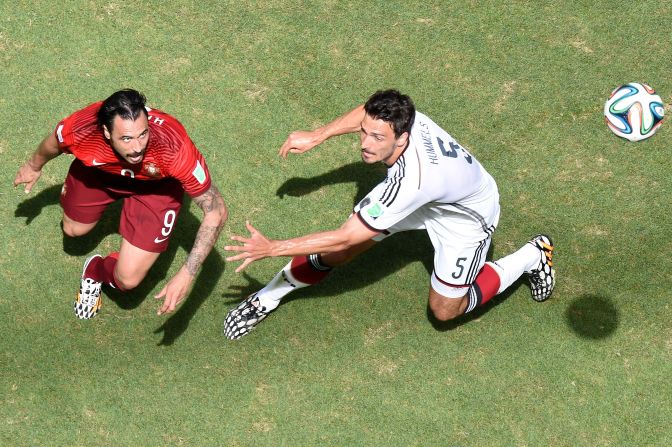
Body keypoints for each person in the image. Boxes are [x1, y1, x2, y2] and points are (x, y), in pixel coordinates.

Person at [224, 89, 554, 340]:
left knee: (444, 310)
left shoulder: (411, 184)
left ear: (403, 137)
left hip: (465, 218)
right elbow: (367, 114)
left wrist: (272, 248)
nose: (364, 143)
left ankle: (531, 257)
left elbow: (345, 236)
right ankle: (267, 297)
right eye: (365, 133)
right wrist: (319, 134)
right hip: (440, 192)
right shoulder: (404, 117)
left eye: (377, 138)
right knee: (335, 255)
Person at [14, 89, 228, 319]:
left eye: (142, 134)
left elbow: (216, 212)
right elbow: (54, 143)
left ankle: (95, 271)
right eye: (126, 138)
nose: (137, 147)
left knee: (128, 280)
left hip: (156, 188)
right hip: (99, 174)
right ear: (106, 132)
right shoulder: (83, 128)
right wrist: (34, 166)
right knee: (73, 230)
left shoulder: (173, 149)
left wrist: (187, 273)